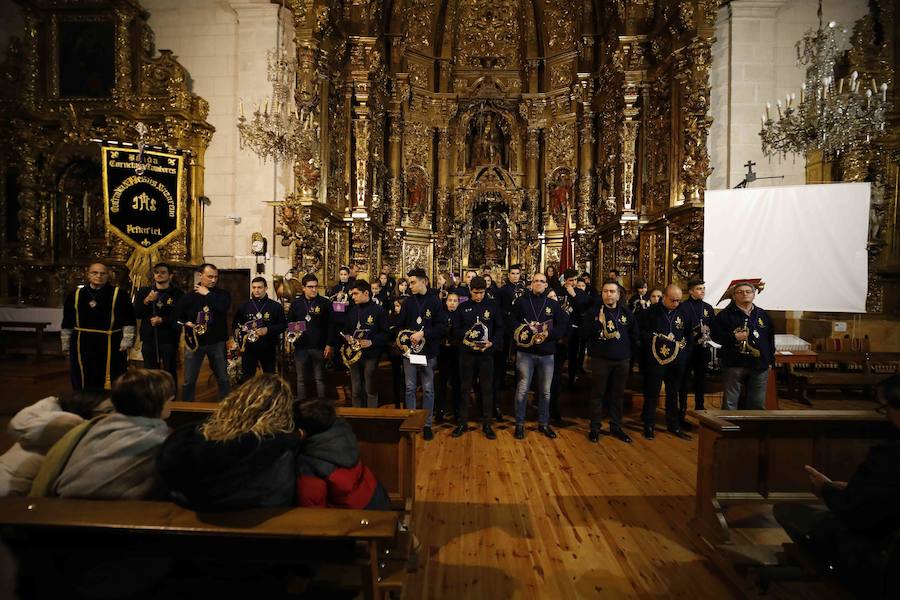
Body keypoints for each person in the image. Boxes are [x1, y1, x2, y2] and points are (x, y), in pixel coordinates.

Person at [773, 374, 900, 597]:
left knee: (786, 511)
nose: (886, 414)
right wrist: (855, 489)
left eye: (887, 407)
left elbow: (858, 515)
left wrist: (826, 488)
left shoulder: (889, 456)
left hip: (876, 552)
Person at [158, 373, 299, 510]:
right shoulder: (279, 451)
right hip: (260, 519)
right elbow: (280, 497)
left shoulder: (195, 447)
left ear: (239, 400)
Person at [38, 369, 173, 499]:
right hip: (103, 508)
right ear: (156, 403)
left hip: (62, 500)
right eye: (168, 398)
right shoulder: (157, 440)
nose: (172, 400)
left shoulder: (97, 426)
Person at [0, 390, 105, 496]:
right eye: (107, 410)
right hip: (9, 499)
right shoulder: (70, 427)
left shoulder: (39, 428)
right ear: (88, 410)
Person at [294, 397, 391, 510]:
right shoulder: (342, 433)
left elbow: (313, 510)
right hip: (377, 497)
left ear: (301, 432)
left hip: (356, 514)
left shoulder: (309, 462)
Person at [61, 262, 136, 391]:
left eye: (103, 273)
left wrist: (127, 341)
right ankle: (84, 399)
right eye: (94, 273)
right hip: (81, 342)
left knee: (113, 375)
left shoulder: (119, 294)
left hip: (110, 342)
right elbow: (67, 321)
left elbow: (129, 319)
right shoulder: (76, 295)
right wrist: (66, 344)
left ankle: (109, 401)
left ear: (108, 275)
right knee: (83, 374)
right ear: (88, 275)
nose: (99, 276)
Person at [581, 281, 639, 443]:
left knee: (618, 395)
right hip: (601, 359)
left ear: (618, 295)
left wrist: (627, 353)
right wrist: (598, 323)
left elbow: (635, 335)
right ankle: (595, 428)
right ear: (602, 294)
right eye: (605, 291)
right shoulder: (593, 312)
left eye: (612, 291)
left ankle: (616, 427)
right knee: (597, 394)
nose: (609, 294)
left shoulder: (626, 313)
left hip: (622, 360)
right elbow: (583, 334)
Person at [510, 272, 565, 440]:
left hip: (547, 353)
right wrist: (526, 329)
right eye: (536, 281)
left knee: (545, 391)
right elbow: (511, 322)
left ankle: (544, 423)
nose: (539, 283)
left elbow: (562, 325)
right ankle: (519, 424)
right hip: (525, 352)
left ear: (546, 284)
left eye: (542, 281)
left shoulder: (553, 304)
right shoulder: (521, 301)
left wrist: (549, 333)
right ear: (531, 284)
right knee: (522, 389)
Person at [395, 268, 446, 440]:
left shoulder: (435, 301)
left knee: (428, 389)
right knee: (410, 387)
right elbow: (400, 325)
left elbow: (441, 327)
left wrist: (423, 333)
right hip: (409, 353)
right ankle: (411, 421)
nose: (409, 286)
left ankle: (427, 424)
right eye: (409, 283)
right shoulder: (408, 302)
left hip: (428, 352)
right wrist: (404, 337)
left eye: (413, 282)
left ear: (423, 281)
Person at [451, 276, 503, 439]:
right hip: (467, 354)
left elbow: (500, 328)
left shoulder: (493, 306)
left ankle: (487, 423)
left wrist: (492, 343)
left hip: (486, 354)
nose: (478, 296)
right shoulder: (462, 307)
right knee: (465, 388)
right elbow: (455, 329)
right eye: (475, 293)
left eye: (481, 293)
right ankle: (462, 422)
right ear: (470, 290)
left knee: (486, 389)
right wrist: (468, 334)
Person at [638, 284, 690, 441]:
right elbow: (641, 333)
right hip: (655, 359)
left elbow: (688, 335)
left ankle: (673, 425)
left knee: (673, 393)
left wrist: (684, 354)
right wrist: (658, 338)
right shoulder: (650, 312)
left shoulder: (683, 312)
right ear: (664, 298)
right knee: (652, 393)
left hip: (677, 360)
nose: (676, 303)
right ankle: (649, 425)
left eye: (678, 300)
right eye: (672, 300)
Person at [172, 263, 231, 401]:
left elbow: (223, 307)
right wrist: (186, 323)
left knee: (223, 379)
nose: (213, 280)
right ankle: (187, 408)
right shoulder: (188, 297)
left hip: (216, 342)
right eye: (210, 276)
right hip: (194, 342)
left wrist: (208, 294)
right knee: (189, 381)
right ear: (200, 275)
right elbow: (176, 318)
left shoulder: (223, 294)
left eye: (216, 277)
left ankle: (226, 407)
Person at [712, 280, 775, 410]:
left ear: (754, 295)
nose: (744, 294)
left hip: (759, 364)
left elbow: (770, 339)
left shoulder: (763, 314)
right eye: (740, 292)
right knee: (730, 402)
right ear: (734, 296)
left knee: (757, 402)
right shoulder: (724, 315)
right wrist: (734, 337)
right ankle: (729, 422)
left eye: (748, 292)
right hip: (734, 363)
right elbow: (715, 336)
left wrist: (770, 361)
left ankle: (754, 423)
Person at [331, 279, 389, 408]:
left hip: (371, 355)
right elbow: (346, 330)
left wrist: (371, 342)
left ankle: (372, 416)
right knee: (356, 390)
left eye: (356, 293)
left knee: (370, 389)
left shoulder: (379, 311)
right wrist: (347, 337)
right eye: (352, 294)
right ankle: (357, 415)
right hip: (354, 355)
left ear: (366, 293)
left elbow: (386, 334)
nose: (353, 297)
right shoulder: (352, 310)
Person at [133, 262, 184, 388]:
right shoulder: (144, 291)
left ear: (170, 275)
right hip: (149, 338)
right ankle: (152, 395)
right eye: (156, 272)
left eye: (163, 272)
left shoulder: (178, 293)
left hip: (168, 339)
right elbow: (137, 313)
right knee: (150, 371)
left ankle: (170, 394)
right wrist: (147, 301)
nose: (159, 275)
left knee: (169, 371)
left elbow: (180, 316)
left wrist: (163, 320)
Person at [288, 273, 333, 400]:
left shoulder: (325, 303)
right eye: (310, 287)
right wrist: (293, 331)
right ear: (303, 288)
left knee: (319, 378)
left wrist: (329, 344)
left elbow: (331, 325)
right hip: (301, 347)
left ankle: (322, 405)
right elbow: (290, 323)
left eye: (315, 286)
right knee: (301, 379)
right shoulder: (296, 303)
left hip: (319, 346)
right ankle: (301, 405)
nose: (314, 289)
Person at [233, 277, 286, 383]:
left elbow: (283, 325)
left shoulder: (275, 306)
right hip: (249, 349)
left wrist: (267, 330)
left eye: (259, 287)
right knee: (248, 379)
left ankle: (269, 394)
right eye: (254, 287)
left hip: (268, 348)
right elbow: (235, 324)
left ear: (265, 288)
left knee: (269, 378)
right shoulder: (244, 306)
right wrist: (242, 329)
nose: (256, 290)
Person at [679, 278, 714, 424]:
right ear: (691, 291)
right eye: (699, 289)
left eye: (703, 289)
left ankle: (700, 408)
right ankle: (681, 410)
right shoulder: (683, 306)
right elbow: (678, 327)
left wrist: (708, 330)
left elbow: (714, 327)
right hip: (687, 349)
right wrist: (693, 331)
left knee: (701, 380)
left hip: (703, 349)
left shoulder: (708, 308)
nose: (702, 291)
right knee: (684, 381)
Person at [561, 268, 590, 386]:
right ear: (565, 280)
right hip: (562, 329)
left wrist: (574, 295)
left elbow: (585, 307)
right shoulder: (559, 291)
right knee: (560, 354)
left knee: (573, 355)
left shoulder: (580, 292)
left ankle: (572, 377)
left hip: (575, 328)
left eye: (575, 280)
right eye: (570, 280)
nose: (573, 283)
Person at [436, 292, 461, 422]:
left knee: (456, 382)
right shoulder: (441, 315)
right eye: (450, 300)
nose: (452, 303)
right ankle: (440, 410)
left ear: (458, 303)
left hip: (456, 351)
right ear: (446, 302)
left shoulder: (460, 315)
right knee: (441, 381)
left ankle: (457, 411)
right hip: (442, 351)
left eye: (455, 301)